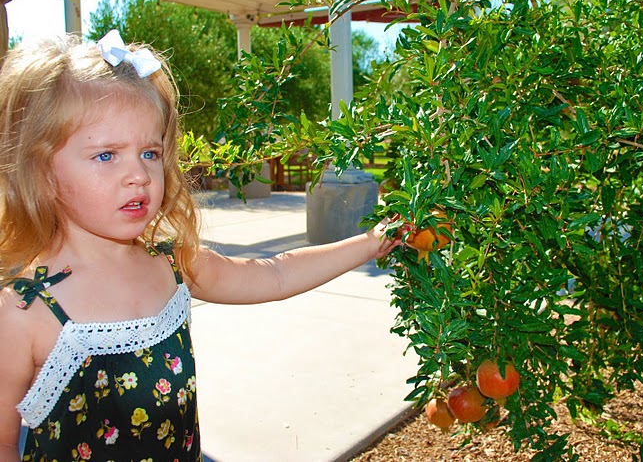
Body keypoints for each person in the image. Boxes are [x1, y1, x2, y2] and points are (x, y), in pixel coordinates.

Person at [0, 31, 400, 461]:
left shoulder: (172, 265)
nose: (139, 175)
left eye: (150, 153)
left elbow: (275, 274)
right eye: (106, 155)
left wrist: (369, 243)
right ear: (41, 171)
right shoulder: (24, 311)